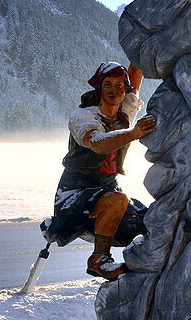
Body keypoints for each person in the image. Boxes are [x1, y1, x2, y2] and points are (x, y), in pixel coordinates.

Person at [40, 62, 156, 280]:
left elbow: (135, 75)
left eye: (119, 87)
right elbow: (98, 143)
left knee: (147, 218)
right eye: (108, 85)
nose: (114, 91)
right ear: (99, 89)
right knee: (117, 200)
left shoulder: (124, 112)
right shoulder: (83, 117)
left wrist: (144, 45)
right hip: (75, 192)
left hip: (107, 186)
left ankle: (147, 259)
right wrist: (133, 133)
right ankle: (99, 259)